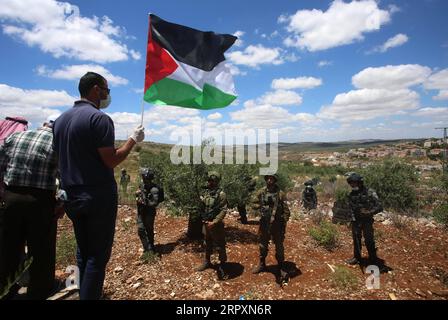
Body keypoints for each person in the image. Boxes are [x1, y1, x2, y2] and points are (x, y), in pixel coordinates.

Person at [53, 72, 145, 300]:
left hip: (71, 196)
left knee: (83, 251)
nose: (108, 94)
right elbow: (112, 159)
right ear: (96, 89)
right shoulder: (99, 119)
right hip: (96, 197)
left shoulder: (61, 120)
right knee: (97, 256)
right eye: (107, 89)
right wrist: (134, 139)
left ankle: (83, 292)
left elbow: (58, 159)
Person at [0, 118, 59, 299]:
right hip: (40, 201)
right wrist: (62, 202)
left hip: (12, 197)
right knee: (41, 249)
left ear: (42, 125)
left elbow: (1, 165)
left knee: (8, 246)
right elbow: (65, 173)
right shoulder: (56, 142)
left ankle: (5, 289)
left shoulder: (15, 137)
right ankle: (39, 290)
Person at [251, 174, 290, 279]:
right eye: (268, 178)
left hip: (277, 225)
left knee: (279, 247)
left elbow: (286, 211)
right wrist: (261, 206)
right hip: (264, 223)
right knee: (262, 245)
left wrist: (283, 223)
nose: (269, 180)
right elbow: (253, 203)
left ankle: (280, 267)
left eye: (271, 178)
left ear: (275, 180)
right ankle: (262, 264)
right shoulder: (261, 192)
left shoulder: (280, 194)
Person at [345, 173, 383, 266]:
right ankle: (357, 258)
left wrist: (368, 212)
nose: (353, 185)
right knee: (356, 240)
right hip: (356, 221)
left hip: (367, 221)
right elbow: (350, 208)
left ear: (360, 183)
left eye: (354, 183)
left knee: (369, 240)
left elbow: (379, 206)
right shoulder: (351, 194)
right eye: (351, 183)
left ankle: (373, 258)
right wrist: (351, 218)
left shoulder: (370, 192)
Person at [196, 171, 228, 279]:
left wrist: (214, 222)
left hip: (216, 225)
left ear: (216, 182)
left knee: (220, 246)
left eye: (212, 180)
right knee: (206, 243)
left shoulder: (221, 194)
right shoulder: (205, 193)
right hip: (206, 223)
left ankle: (223, 266)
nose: (209, 182)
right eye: (209, 180)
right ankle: (207, 261)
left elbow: (223, 210)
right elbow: (203, 206)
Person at [135, 168, 164, 254]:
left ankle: (150, 248)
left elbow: (154, 203)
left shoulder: (154, 189)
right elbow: (139, 194)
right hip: (141, 211)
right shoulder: (142, 185)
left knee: (149, 229)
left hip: (149, 213)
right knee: (140, 229)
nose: (143, 179)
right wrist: (137, 195)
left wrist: (144, 202)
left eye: (144, 177)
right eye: (143, 177)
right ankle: (146, 248)